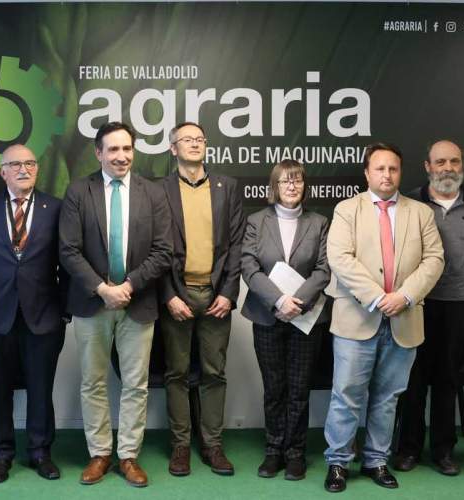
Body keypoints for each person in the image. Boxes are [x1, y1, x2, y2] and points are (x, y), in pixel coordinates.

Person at [323, 142, 444, 493]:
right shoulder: (347, 209)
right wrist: (378, 298)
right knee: (346, 394)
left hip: (404, 319)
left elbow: (434, 260)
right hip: (357, 318)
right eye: (379, 168)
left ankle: (376, 460)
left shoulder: (421, 213)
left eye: (393, 169)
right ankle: (338, 462)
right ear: (367, 173)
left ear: (400, 172)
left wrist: (404, 296)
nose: (387, 175)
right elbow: (340, 258)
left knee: (388, 397)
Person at [59, 121, 173, 488]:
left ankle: (128, 456)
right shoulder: (79, 191)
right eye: (113, 150)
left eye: (127, 149)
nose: (121, 156)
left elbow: (163, 251)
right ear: (98, 153)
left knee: (136, 385)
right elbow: (69, 250)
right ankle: (99, 453)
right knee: (93, 381)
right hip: (92, 303)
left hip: (137, 303)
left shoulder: (152, 193)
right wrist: (101, 288)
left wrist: (127, 285)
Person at [0, 144, 66, 483]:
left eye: (30, 163)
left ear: (37, 169)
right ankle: (1, 454)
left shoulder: (55, 208)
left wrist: (65, 312)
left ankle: (40, 452)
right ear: (2, 171)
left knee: (41, 387)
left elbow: (65, 263)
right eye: (15, 164)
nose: (24, 169)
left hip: (44, 315)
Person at [396, 140, 464, 476]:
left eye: (453, 161)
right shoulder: (410, 201)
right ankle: (408, 450)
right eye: (440, 162)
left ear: (462, 164)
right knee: (413, 379)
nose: (447, 168)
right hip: (417, 301)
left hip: (461, 302)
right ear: (427, 167)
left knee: (448, 379)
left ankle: (443, 451)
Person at [157, 122, 244, 477]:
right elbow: (153, 246)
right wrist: (167, 295)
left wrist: (227, 292)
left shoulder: (227, 187)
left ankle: (212, 445)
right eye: (186, 140)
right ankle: (180, 446)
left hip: (215, 295)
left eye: (199, 139)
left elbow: (237, 245)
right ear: (172, 148)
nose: (194, 144)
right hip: (176, 295)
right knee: (176, 373)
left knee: (214, 373)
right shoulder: (159, 189)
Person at [240, 160, 330, 481]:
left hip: (306, 320)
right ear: (274, 186)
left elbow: (323, 269)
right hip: (267, 315)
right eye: (285, 182)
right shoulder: (255, 221)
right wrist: (279, 300)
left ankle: (295, 453)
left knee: (299, 389)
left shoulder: (319, 223)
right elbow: (249, 265)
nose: (292, 187)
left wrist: (298, 302)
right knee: (274, 388)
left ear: (305, 186)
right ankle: (273, 450)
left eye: (297, 181)